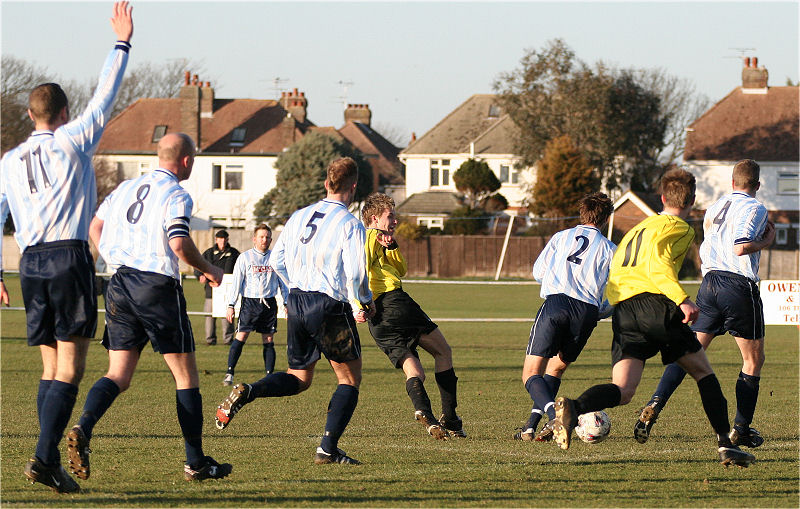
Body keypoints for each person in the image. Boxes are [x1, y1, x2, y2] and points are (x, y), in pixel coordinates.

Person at [0, 2, 133, 493]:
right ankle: (41, 456)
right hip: (67, 256)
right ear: (62, 113)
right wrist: (121, 43)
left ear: (28, 115)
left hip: (30, 262)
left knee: (50, 365)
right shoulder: (72, 140)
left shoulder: (10, 159)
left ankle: (50, 460)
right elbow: (106, 93)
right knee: (73, 367)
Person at [550, 169, 755, 468]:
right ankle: (726, 445)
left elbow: (618, 266)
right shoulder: (681, 228)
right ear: (692, 199)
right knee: (704, 374)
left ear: (661, 197)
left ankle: (575, 407)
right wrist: (682, 300)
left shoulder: (638, 228)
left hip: (625, 310)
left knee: (623, 390)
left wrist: (619, 304)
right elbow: (659, 266)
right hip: (654, 306)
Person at [66, 133, 233, 483]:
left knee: (118, 374)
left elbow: (95, 226)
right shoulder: (176, 194)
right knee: (185, 376)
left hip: (120, 283)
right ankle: (195, 462)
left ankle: (83, 426)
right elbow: (178, 243)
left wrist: (113, 256)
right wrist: (210, 269)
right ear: (187, 161)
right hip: (155, 286)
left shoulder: (127, 187)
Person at [215, 157, 375, 466]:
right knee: (349, 379)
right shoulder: (349, 223)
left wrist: (294, 287)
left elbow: (277, 262)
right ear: (353, 186)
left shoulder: (299, 216)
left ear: (327, 183)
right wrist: (363, 300)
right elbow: (355, 273)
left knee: (300, 377)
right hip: (328, 304)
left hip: (298, 302)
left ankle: (249, 391)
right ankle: (327, 449)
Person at [633, 159, 775, 448]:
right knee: (753, 360)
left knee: (690, 353)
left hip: (709, 285)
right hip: (737, 286)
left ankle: (654, 404)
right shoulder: (755, 207)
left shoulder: (716, 206)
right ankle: (741, 429)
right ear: (757, 185)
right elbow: (741, 246)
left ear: (732, 183)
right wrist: (766, 242)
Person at [361, 192, 466, 440]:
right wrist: (359, 303)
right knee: (443, 352)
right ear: (375, 218)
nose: (395, 220)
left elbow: (401, 269)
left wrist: (393, 247)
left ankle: (425, 414)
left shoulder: (380, 239)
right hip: (394, 303)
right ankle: (450, 419)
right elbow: (360, 270)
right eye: (391, 216)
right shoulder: (371, 236)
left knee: (414, 369)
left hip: (378, 319)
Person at [513, 193, 615, 442]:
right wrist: (600, 311)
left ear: (581, 213)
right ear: (606, 218)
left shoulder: (561, 237)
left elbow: (539, 272)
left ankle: (554, 418)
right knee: (556, 368)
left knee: (530, 374)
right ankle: (530, 428)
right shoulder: (611, 249)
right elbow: (616, 293)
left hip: (557, 304)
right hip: (587, 313)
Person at [222, 223, 288, 386]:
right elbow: (236, 282)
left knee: (268, 339)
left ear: (271, 240)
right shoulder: (245, 257)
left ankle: (269, 376)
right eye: (261, 237)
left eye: (267, 237)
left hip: (269, 304)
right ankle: (229, 373)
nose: (264, 240)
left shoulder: (275, 258)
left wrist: (287, 303)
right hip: (249, 303)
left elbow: (283, 283)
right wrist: (231, 304)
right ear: (254, 239)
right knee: (241, 336)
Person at [197, 229, 239, 345]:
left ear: (227, 240)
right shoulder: (209, 253)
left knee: (227, 317)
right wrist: (200, 276)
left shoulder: (234, 254)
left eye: (225, 239)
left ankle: (228, 340)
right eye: (220, 239)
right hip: (211, 291)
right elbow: (198, 266)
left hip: (228, 292)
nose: (223, 241)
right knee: (209, 317)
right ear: (216, 240)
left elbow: (242, 268)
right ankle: (210, 340)